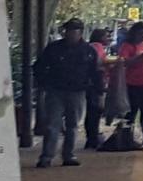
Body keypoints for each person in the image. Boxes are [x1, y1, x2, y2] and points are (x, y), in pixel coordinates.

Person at [31, 20, 99, 167]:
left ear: (80, 32)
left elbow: (94, 72)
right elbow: (39, 66)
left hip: (77, 91)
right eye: (68, 30)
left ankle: (68, 155)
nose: (69, 33)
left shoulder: (88, 51)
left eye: (73, 30)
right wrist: (44, 84)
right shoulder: (54, 48)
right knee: (52, 125)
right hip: (56, 91)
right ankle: (47, 157)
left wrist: (96, 90)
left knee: (72, 125)